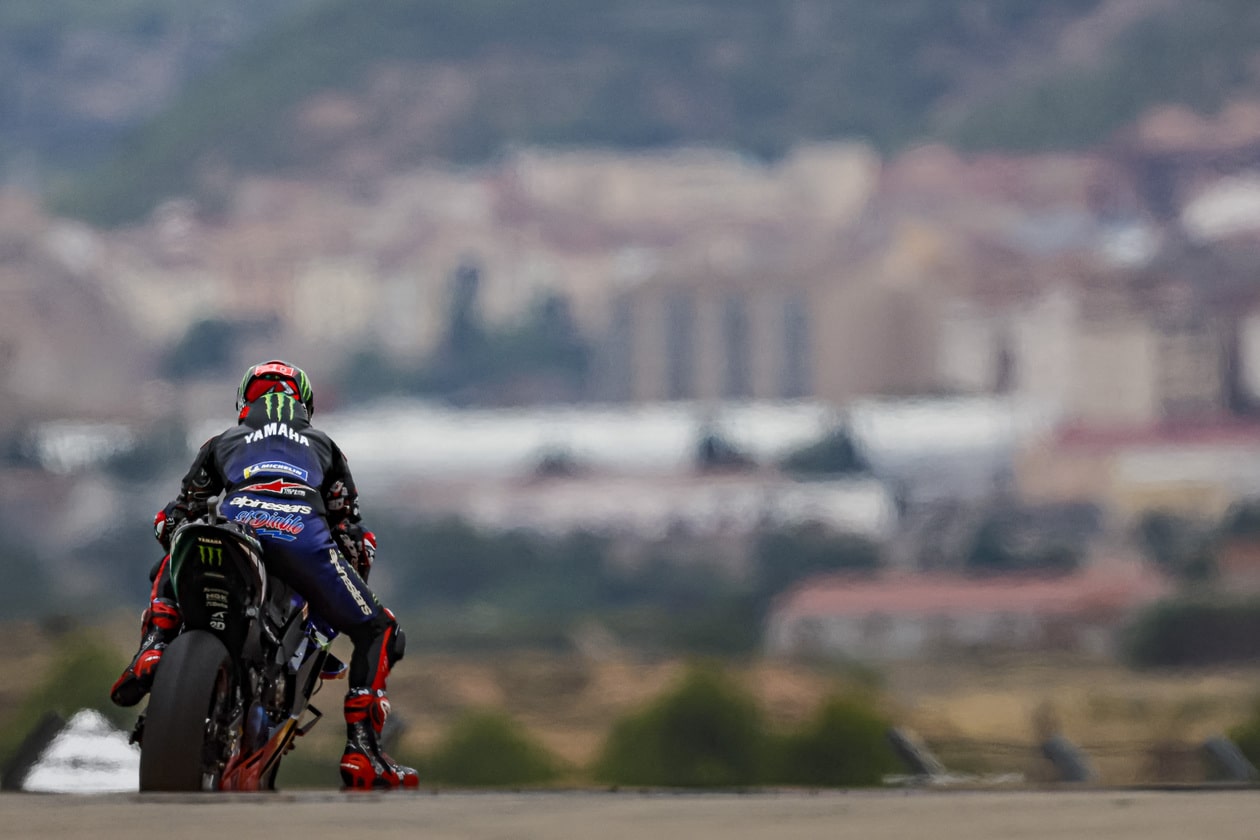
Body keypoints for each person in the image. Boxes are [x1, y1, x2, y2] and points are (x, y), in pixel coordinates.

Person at [110, 360, 418, 790]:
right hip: (302, 538)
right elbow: (351, 533)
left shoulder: (223, 441)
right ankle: (363, 751)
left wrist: (170, 534)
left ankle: (153, 646)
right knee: (380, 629)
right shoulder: (325, 445)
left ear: (244, 403)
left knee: (184, 539)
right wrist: (347, 576)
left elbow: (176, 515)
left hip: (238, 527)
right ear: (304, 406)